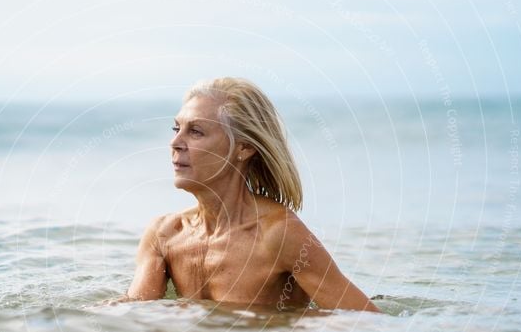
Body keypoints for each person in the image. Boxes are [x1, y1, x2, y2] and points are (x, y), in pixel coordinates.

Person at [124, 77, 381, 313]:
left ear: (244, 147)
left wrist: (296, 324)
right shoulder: (165, 234)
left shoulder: (280, 235)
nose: (175, 142)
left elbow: (366, 321)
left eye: (196, 132)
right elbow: (135, 313)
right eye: (176, 128)